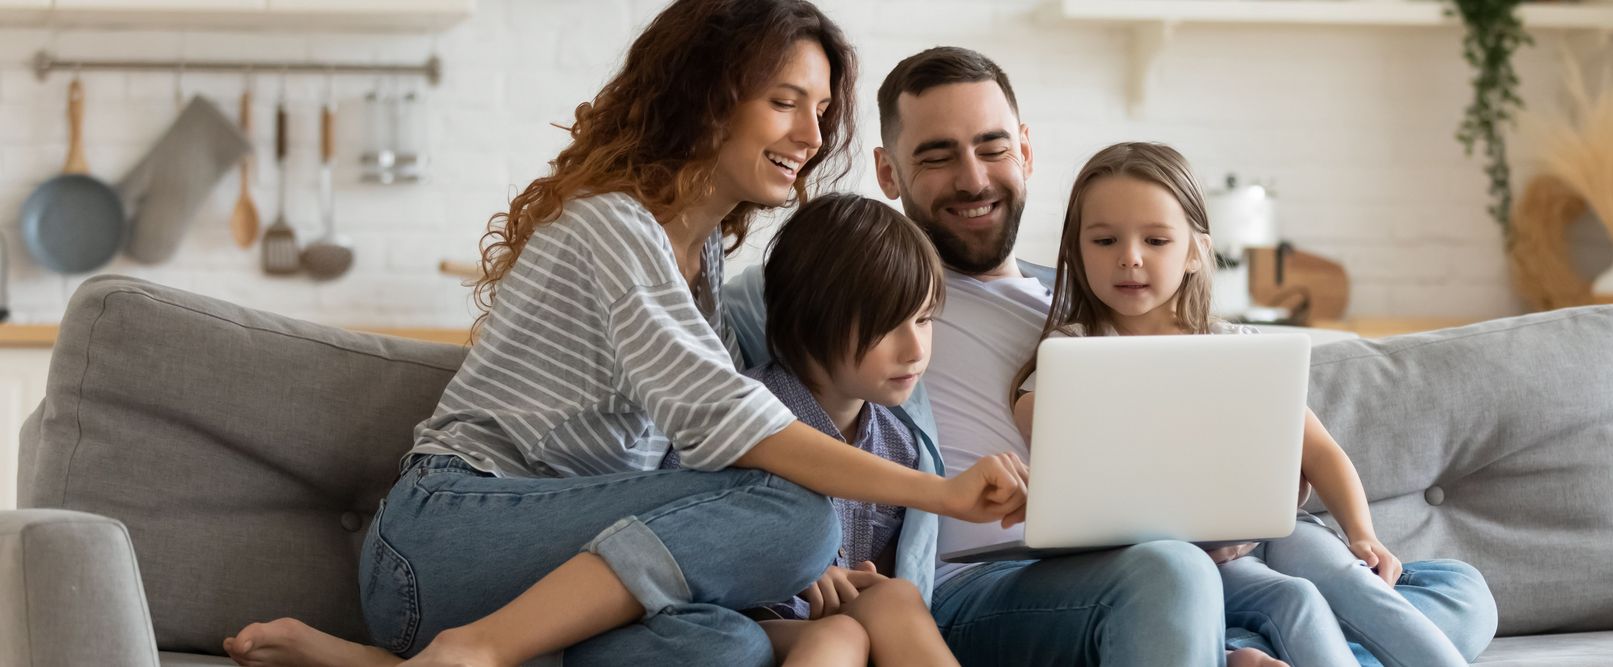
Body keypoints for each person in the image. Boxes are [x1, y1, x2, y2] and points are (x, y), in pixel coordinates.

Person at [220, 3, 1025, 666]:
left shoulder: (705, 259)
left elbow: (706, 444)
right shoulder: (614, 227)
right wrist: (942, 490)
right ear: (706, 96)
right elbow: (729, 425)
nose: (812, 137)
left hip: (552, 571)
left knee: (727, 649)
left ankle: (393, 666)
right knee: (801, 516)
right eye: (784, 102)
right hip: (446, 537)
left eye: (819, 111)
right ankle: (478, 650)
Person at [742, 46, 1504, 666]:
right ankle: (1238, 642)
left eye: (991, 147)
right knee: (1174, 570)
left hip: (1171, 562)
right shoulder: (870, 291)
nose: (973, 178)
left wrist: (1240, 502)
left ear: (1026, 151)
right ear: (888, 172)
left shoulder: (1099, 298)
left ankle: (1237, 646)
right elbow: (752, 407)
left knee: (1462, 589)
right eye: (938, 156)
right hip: (986, 583)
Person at [1009, 141, 1473, 667]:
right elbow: (1072, 485)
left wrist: (1363, 536)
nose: (1130, 256)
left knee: (1352, 579)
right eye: (1104, 239)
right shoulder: (1071, 359)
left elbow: (1320, 453)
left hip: (1277, 528)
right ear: (1075, 249)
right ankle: (1239, 652)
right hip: (1188, 559)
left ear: (1195, 252)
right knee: (1293, 599)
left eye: (1156, 239)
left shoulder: (1237, 346)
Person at [661, 192, 962, 667]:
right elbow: (676, 531)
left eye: (924, 319)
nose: (915, 349)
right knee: (838, 636)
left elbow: (874, 576)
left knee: (895, 598)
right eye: (887, 326)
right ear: (810, 322)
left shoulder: (899, 445)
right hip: (733, 621)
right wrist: (791, 563)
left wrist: (860, 581)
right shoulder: (739, 413)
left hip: (833, 624)